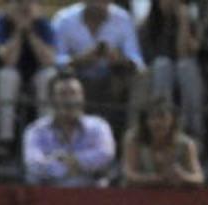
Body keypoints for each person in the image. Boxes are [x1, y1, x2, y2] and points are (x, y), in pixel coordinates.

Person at [51, 0, 145, 134]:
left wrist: (118, 58)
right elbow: (55, 59)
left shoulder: (123, 18)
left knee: (140, 78)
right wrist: (81, 59)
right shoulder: (64, 19)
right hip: (75, 75)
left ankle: (133, 135)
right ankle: (58, 133)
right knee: (51, 76)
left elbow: (137, 61)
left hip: (113, 78)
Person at [0, 0, 58, 161]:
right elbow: (9, 60)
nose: (25, 7)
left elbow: (48, 60)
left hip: (35, 76)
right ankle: (5, 140)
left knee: (48, 76)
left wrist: (31, 32)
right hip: (5, 78)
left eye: (29, 3)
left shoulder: (43, 25)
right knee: (8, 76)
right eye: (19, 3)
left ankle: (45, 138)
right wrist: (18, 31)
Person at [23, 69, 116, 185]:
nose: (69, 100)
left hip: (92, 195)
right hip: (49, 195)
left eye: (74, 93)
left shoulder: (99, 126)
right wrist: (73, 167)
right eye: (63, 94)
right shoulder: (36, 130)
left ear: (82, 97)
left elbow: (105, 156)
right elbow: (34, 165)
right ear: (52, 100)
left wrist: (65, 160)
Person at [138, 0, 205, 138]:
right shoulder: (150, 23)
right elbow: (150, 56)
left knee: (186, 67)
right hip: (157, 72)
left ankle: (193, 130)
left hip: (185, 70)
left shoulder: (192, 20)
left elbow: (184, 53)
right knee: (163, 65)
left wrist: (183, 23)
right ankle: (161, 121)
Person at [121, 95, 204, 186]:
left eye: (162, 117)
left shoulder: (186, 144)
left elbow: (199, 177)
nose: (157, 122)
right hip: (139, 195)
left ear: (173, 120)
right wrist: (156, 179)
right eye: (152, 117)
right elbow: (129, 174)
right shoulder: (134, 139)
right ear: (145, 121)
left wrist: (183, 176)